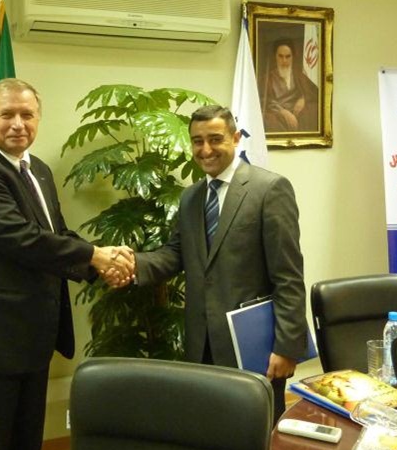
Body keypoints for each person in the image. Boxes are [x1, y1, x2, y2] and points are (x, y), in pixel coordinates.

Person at [0, 78, 133, 450]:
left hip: (34, 338)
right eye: (7, 114)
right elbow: (19, 238)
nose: (18, 124)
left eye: (27, 114)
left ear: (38, 119)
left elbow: (55, 235)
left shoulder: (39, 170)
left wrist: (101, 263)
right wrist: (96, 256)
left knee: (26, 446)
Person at [121, 105, 308, 423]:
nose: (205, 149)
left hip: (254, 347)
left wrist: (287, 347)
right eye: (197, 141)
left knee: (258, 433)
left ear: (235, 138)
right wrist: (132, 264)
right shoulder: (191, 197)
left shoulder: (269, 189)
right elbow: (176, 254)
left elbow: (288, 275)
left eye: (215, 139)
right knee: (209, 430)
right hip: (202, 343)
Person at [262, 38, 318, 133]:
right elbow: (265, 101)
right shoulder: (267, 79)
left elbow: (313, 92)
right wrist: (283, 112)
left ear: (292, 57)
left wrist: (303, 99)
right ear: (275, 57)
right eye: (280, 56)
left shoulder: (299, 75)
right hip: (278, 115)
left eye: (288, 56)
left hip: (299, 114)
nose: (284, 60)